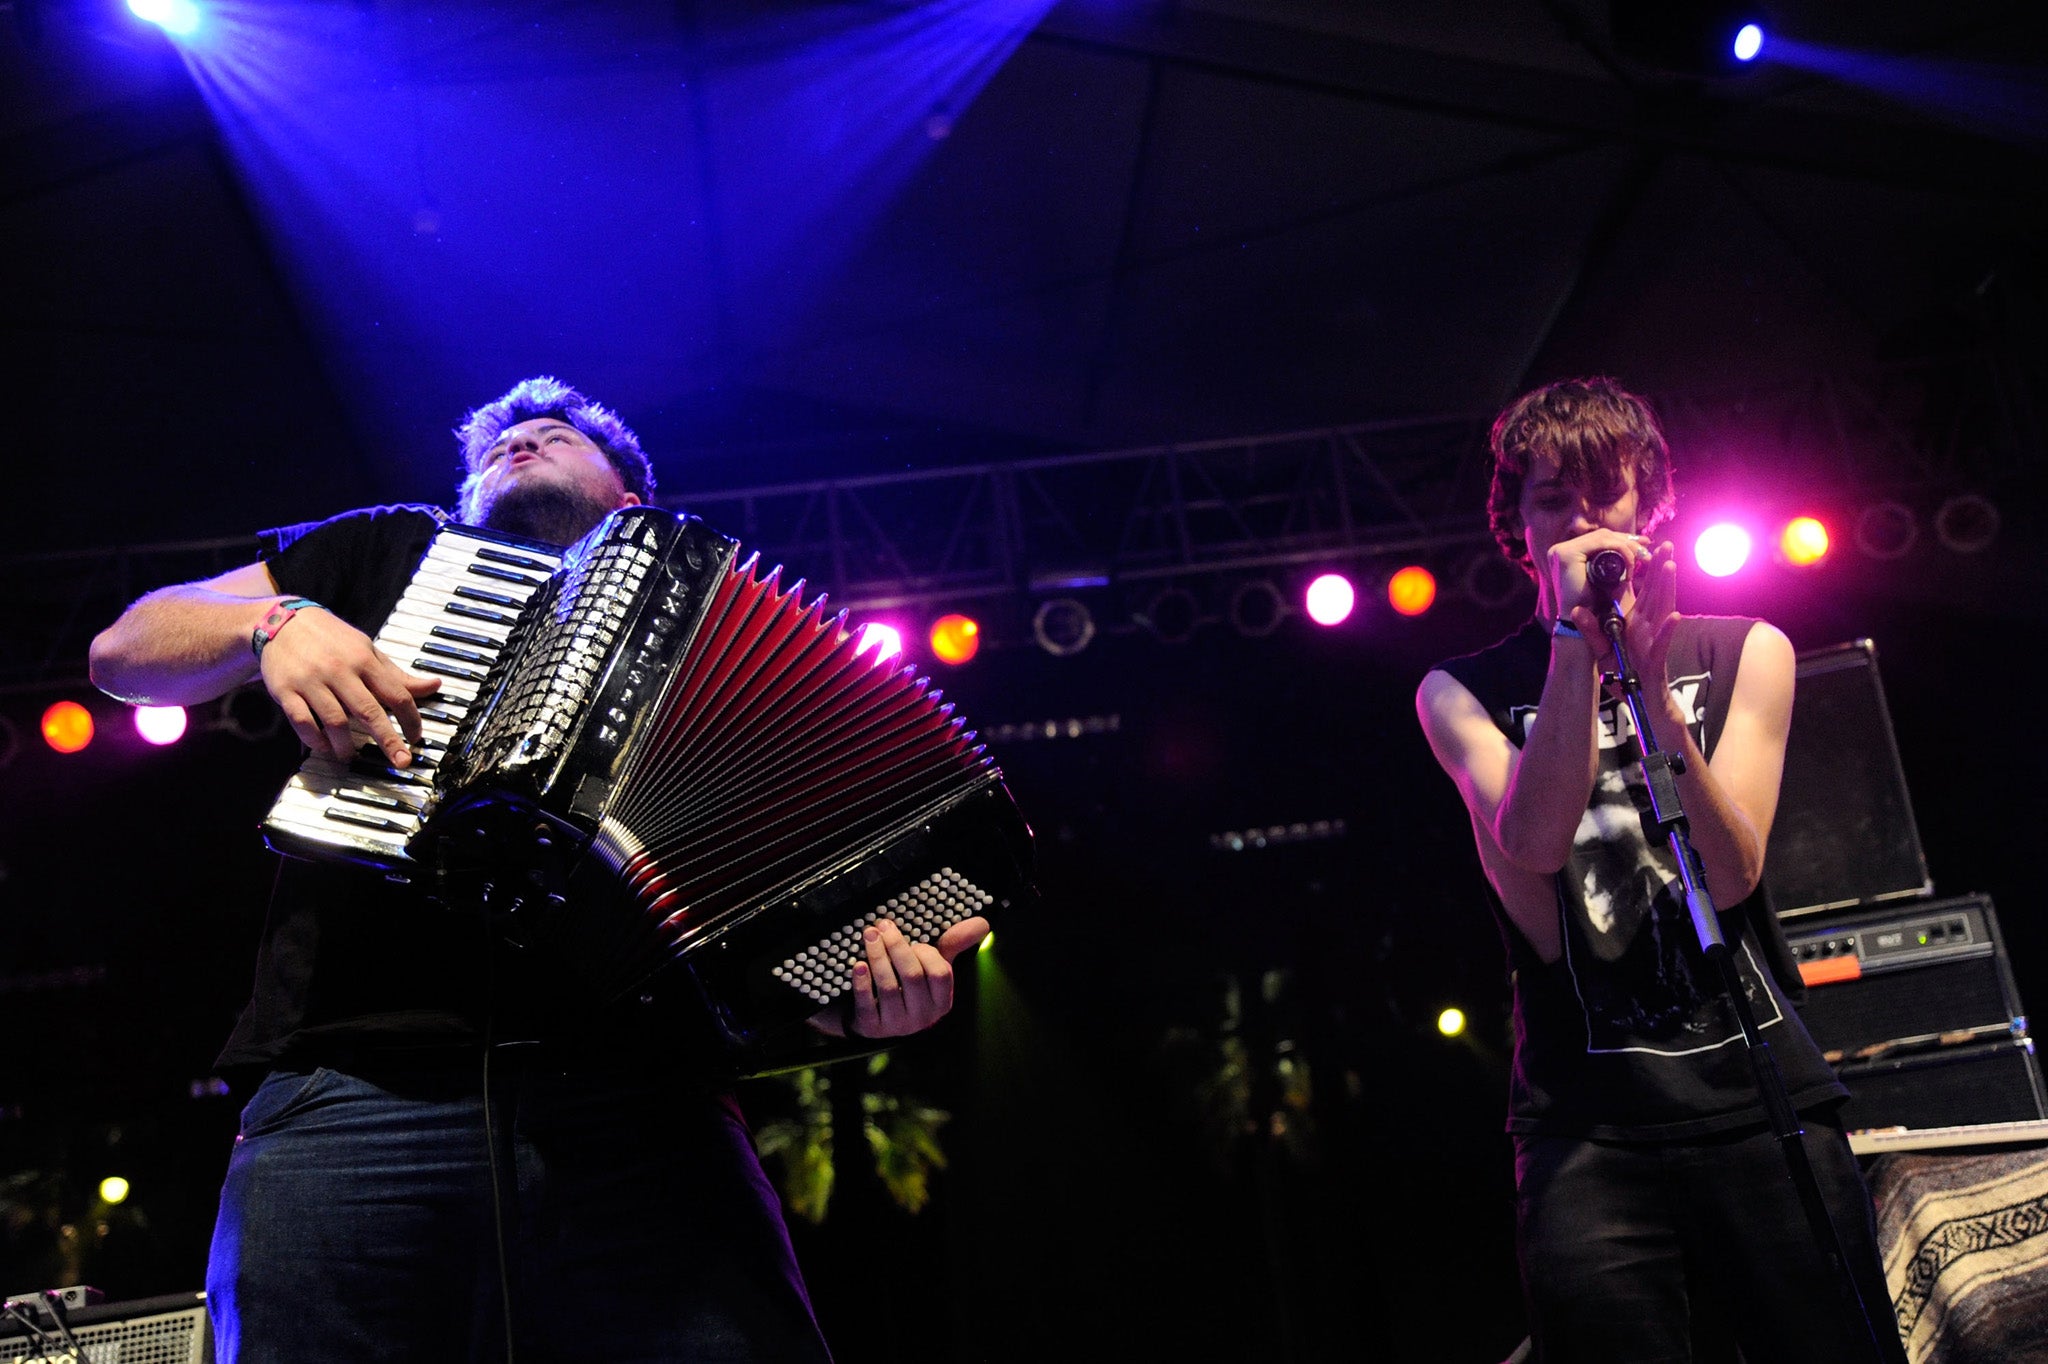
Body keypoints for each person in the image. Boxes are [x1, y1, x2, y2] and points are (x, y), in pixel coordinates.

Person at [89, 376, 988, 1362]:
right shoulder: (386, 547)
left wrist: (846, 1005)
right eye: (490, 449)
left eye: (554, 436)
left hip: (644, 1112)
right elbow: (125, 650)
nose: (516, 446)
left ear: (630, 500)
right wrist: (276, 620)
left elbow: (749, 934)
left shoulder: (719, 629)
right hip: (352, 1092)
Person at [1414, 378, 1906, 1363]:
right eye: (1553, 499)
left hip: (1759, 1103)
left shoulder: (1746, 651)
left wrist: (1648, 684)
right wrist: (1573, 652)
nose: (1585, 519)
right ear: (1516, 527)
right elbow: (1537, 839)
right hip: (1586, 1135)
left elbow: (1730, 874)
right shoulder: (1455, 690)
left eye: (1606, 492)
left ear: (1652, 503)